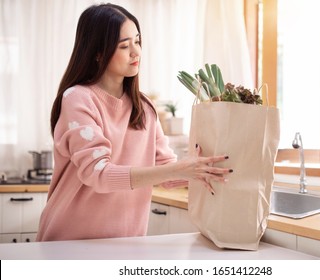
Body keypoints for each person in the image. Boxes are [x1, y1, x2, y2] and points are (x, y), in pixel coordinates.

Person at [36, 3, 231, 242]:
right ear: (98, 52)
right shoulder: (78, 99)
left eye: (137, 41)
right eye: (124, 46)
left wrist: (206, 169)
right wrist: (179, 169)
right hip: (70, 243)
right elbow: (98, 174)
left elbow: (166, 172)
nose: (136, 52)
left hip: (126, 243)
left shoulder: (145, 107)